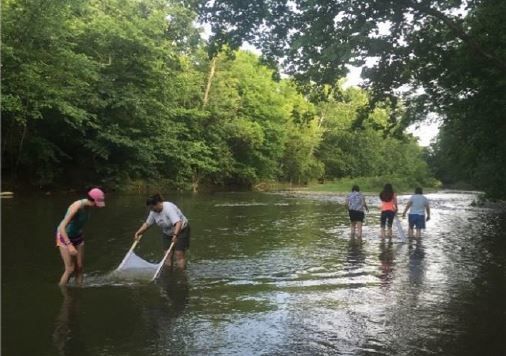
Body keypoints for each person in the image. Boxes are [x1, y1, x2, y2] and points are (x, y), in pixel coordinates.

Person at [56, 187, 106, 286]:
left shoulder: (89, 207)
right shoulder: (76, 207)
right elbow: (62, 227)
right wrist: (69, 245)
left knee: (80, 267)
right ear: (92, 200)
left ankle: (79, 289)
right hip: (64, 237)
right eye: (96, 203)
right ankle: (62, 291)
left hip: (77, 236)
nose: (97, 206)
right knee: (70, 269)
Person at [133, 194, 190, 270]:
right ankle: (168, 273)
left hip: (181, 230)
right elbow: (147, 224)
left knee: (178, 254)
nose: (151, 209)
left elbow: (178, 222)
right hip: (167, 232)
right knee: (167, 255)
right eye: (150, 208)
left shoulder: (168, 208)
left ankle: (182, 274)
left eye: (152, 207)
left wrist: (175, 235)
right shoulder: (153, 212)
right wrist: (138, 232)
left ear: (158, 204)